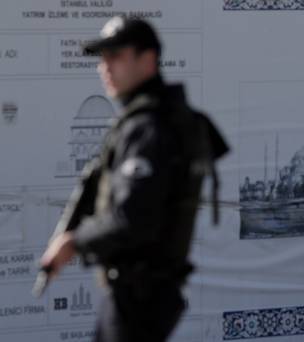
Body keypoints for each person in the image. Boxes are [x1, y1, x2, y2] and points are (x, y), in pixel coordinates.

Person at [39, 17, 228, 341]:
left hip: (141, 294)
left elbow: (132, 219)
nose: (105, 68)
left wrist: (73, 242)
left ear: (148, 59)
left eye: (116, 56)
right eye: (102, 58)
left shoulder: (149, 127)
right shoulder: (169, 117)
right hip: (147, 292)